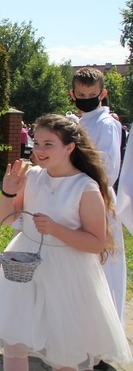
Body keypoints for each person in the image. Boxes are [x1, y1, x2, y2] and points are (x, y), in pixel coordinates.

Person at [0, 114, 132, 371]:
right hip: (25, 265)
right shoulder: (32, 176)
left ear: (69, 147)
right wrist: (8, 190)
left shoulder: (85, 187)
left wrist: (56, 229)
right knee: (14, 341)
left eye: (48, 144)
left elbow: (96, 243)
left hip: (67, 271)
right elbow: (8, 219)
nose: (38, 150)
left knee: (64, 347)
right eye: (36, 143)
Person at [69, 67, 127, 334]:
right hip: (76, 197)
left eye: (92, 94)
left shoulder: (106, 124)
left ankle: (104, 339)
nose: (87, 98)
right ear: (73, 94)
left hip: (97, 198)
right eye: (81, 94)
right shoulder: (79, 123)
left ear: (102, 94)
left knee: (104, 270)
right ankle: (83, 334)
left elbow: (107, 168)